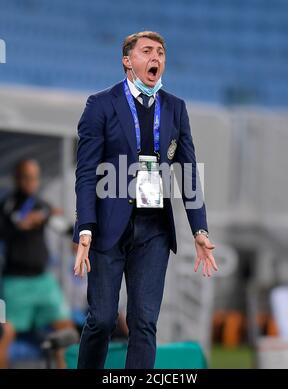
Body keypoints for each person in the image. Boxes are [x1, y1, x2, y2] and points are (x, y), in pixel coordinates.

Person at [73, 31, 218, 369]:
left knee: (144, 323)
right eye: (147, 51)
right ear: (128, 61)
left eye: (162, 53)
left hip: (154, 230)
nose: (156, 58)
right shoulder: (101, 104)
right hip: (108, 229)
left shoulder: (175, 108)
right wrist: (85, 230)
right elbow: (86, 173)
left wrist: (201, 230)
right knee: (103, 319)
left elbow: (189, 173)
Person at [0, 158, 74, 368]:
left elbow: (62, 226)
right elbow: (12, 223)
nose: (30, 182)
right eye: (26, 177)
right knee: (4, 333)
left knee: (66, 331)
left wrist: (79, 238)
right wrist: (21, 224)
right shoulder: (8, 204)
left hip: (43, 281)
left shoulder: (42, 206)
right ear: (17, 179)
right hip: (15, 283)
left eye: (34, 178)